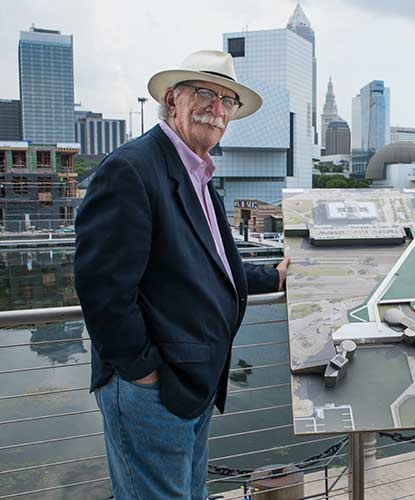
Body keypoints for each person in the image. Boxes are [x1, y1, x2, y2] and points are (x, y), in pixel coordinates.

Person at [74, 50, 290, 499]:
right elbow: (103, 292)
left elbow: (209, 269)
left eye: (227, 100)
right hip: (153, 392)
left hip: (193, 385)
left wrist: (275, 275)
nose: (217, 108)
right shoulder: (131, 169)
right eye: (205, 94)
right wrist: (145, 376)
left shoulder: (198, 174)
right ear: (172, 101)